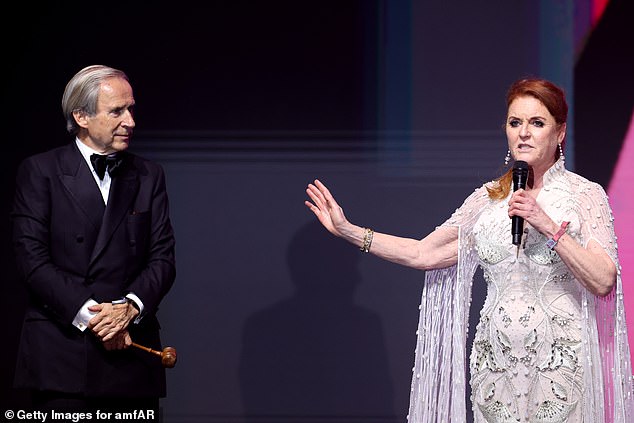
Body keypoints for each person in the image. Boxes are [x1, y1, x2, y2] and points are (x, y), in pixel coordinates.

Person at [305, 78, 634, 422]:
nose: (524, 133)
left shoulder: (584, 195)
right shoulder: (488, 199)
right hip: (496, 368)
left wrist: (549, 226)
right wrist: (349, 231)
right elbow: (423, 253)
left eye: (537, 123)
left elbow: (603, 279)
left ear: (560, 133)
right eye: (515, 123)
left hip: (559, 367)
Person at [11, 65, 176, 418]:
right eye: (117, 111)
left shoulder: (149, 174)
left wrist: (130, 307)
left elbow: (162, 258)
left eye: (131, 109)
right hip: (63, 356)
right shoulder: (40, 171)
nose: (130, 121)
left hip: (132, 356)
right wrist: (95, 317)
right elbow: (31, 260)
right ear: (81, 116)